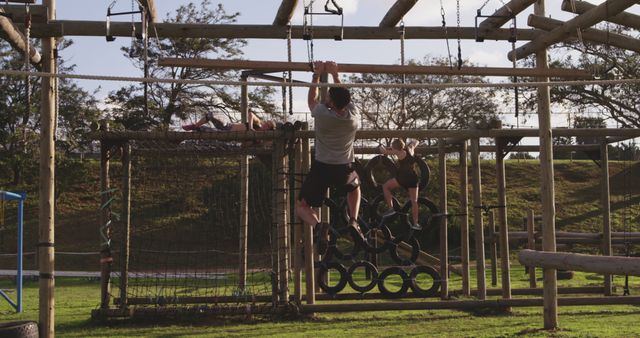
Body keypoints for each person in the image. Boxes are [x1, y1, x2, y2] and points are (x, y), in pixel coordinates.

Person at [295, 60, 364, 254]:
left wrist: (317, 74)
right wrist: (335, 74)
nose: (326, 96)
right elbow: (345, 97)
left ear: (331, 103)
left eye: (329, 96)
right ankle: (353, 220)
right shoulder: (353, 117)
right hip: (344, 167)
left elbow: (311, 100)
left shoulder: (322, 114)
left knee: (302, 207)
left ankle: (319, 227)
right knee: (355, 189)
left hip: (322, 167)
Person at [378, 138, 422, 230]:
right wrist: (410, 144)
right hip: (413, 178)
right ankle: (416, 223)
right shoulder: (410, 149)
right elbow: (416, 141)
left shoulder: (398, 153)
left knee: (385, 187)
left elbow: (383, 151)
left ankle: (391, 208)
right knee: (414, 201)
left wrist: (381, 146)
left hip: (402, 178)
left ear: (395, 148)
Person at [182, 111, 275, 132]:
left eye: (267, 126)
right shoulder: (257, 124)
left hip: (225, 135)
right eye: (266, 124)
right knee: (212, 115)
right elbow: (251, 114)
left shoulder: (260, 138)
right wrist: (250, 127)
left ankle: (180, 139)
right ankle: (195, 125)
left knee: (202, 130)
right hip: (228, 126)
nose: (265, 126)